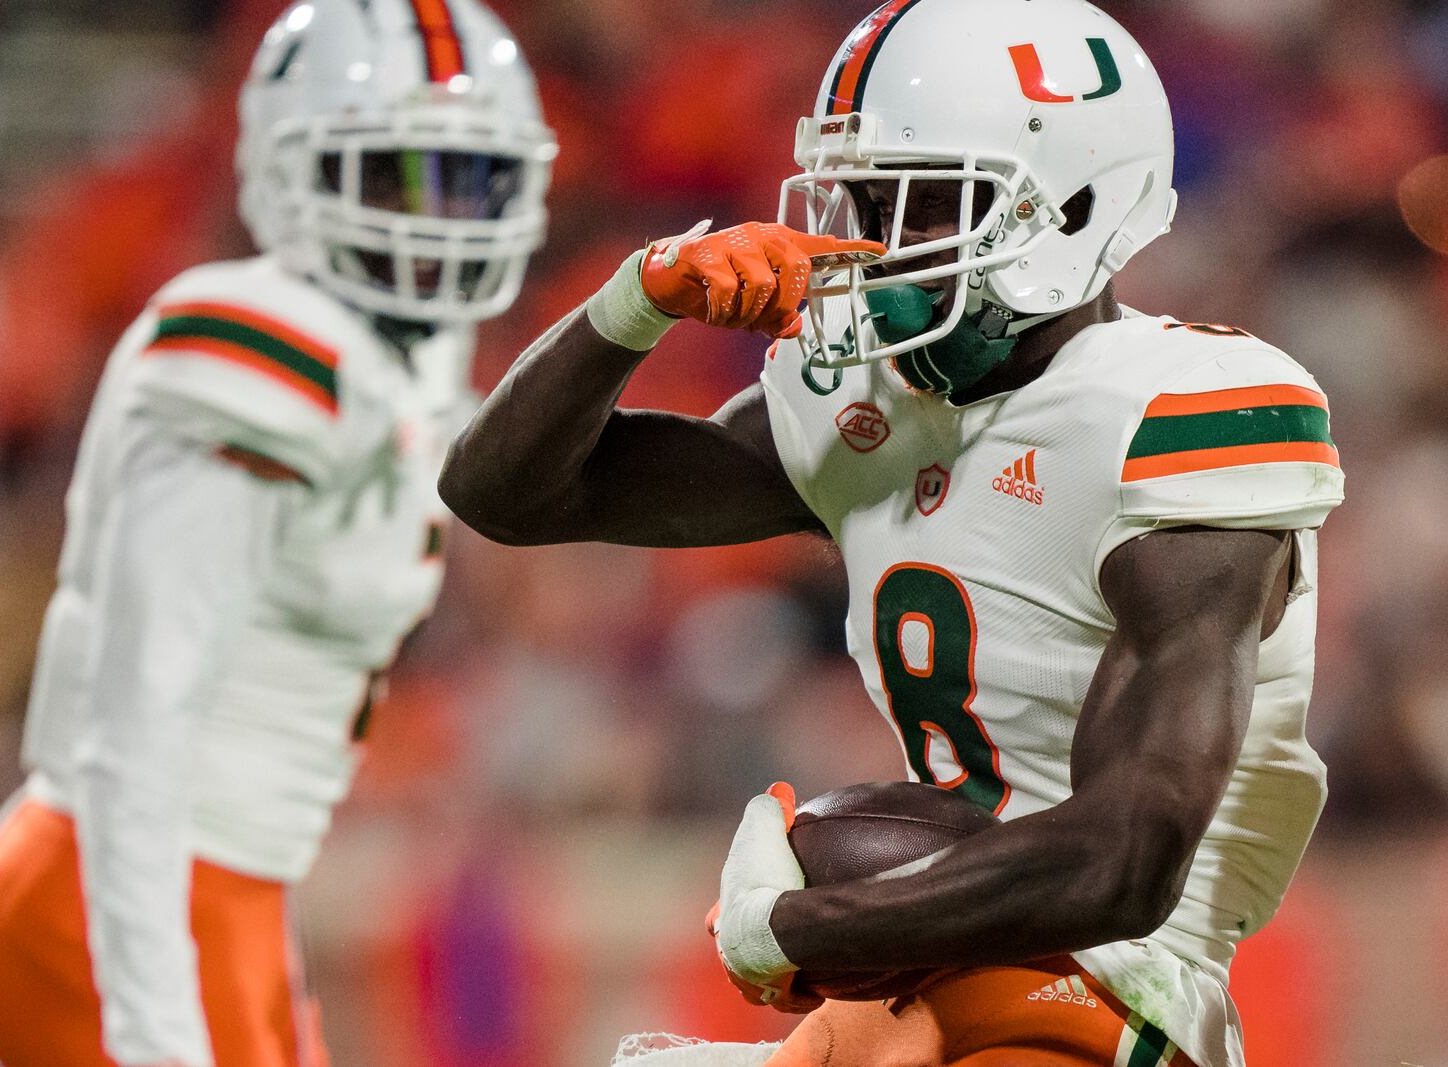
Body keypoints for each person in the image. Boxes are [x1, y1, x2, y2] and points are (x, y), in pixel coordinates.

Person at [437, 0, 1343, 1064]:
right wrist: (635, 301)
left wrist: (800, 930)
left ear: (1073, 203)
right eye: (861, 203)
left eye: (920, 206)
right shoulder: (862, 401)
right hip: (935, 967)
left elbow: (1128, 855)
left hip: (1111, 993)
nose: (867, 246)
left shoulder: (1177, 410)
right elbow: (507, 492)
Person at [0, 2, 554, 1065]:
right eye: (394, 176)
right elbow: (134, 725)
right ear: (291, 173)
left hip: (227, 897)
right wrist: (153, 1021)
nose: (439, 216)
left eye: (469, 178)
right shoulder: (258, 350)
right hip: (128, 892)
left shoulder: (407, 369)